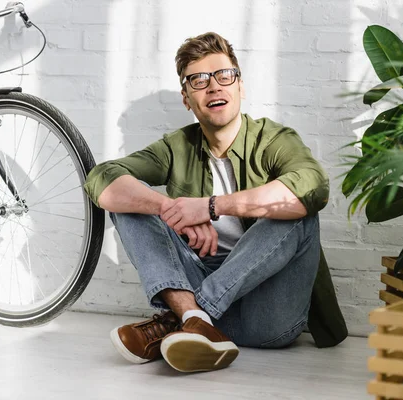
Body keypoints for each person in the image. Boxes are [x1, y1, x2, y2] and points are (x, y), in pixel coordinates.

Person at [83, 32, 347, 373]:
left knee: (294, 208)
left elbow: (313, 188)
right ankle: (196, 321)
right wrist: (171, 209)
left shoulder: (274, 140)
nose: (214, 87)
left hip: (266, 316)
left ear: (240, 86)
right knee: (130, 203)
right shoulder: (178, 146)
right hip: (195, 292)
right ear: (187, 98)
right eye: (199, 80)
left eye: (224, 75)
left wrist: (210, 206)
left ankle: (187, 318)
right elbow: (101, 178)